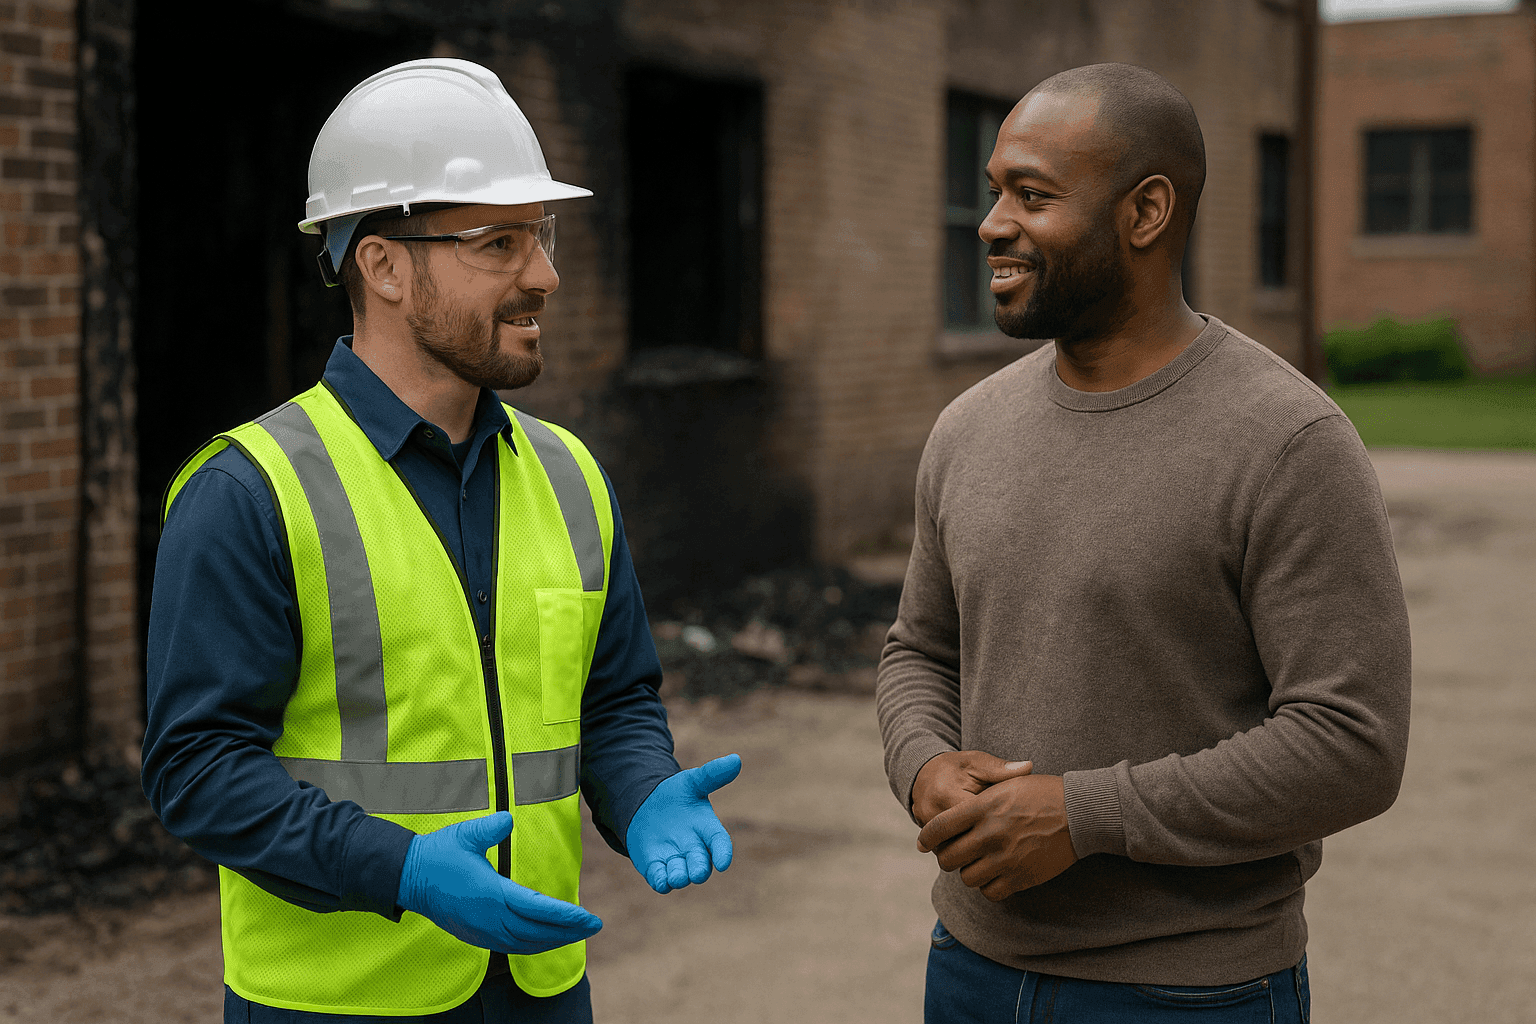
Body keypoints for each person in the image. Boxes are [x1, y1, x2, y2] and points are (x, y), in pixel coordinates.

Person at [142, 58, 741, 1024]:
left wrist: (644, 792)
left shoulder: (570, 476)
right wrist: (402, 869)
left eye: (539, 237)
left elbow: (613, 695)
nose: (544, 274)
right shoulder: (247, 490)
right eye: (498, 242)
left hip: (543, 989)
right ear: (382, 265)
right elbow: (196, 769)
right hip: (335, 1004)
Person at [875, 63, 1411, 1023]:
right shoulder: (968, 428)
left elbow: (1352, 743)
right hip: (969, 969)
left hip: (1190, 991)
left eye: (1032, 196)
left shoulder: (1286, 442)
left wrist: (1087, 817)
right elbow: (922, 647)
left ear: (1146, 212)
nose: (992, 223)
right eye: (994, 190)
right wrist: (923, 761)